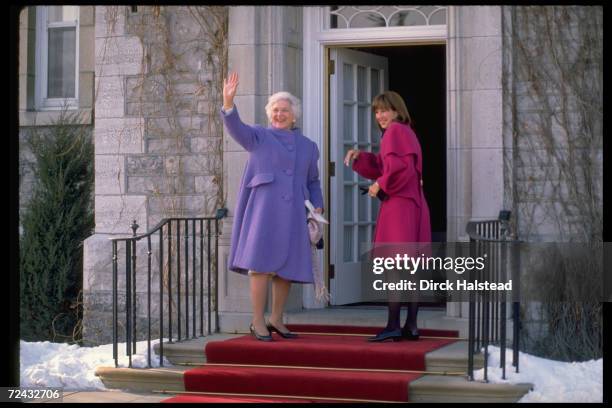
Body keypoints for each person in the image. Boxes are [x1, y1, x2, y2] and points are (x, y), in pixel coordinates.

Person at [221, 72, 324, 342]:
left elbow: (313, 180)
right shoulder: (258, 136)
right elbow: (236, 128)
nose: (280, 114)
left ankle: (276, 318)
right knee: (261, 265)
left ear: (294, 116)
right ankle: (257, 321)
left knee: (286, 268)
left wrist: (318, 206)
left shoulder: (309, 147)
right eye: (276, 110)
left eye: (285, 111)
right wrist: (229, 104)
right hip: (262, 213)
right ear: (269, 114)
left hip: (293, 214)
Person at [344, 91, 431, 342]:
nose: (380, 115)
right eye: (376, 111)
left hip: (400, 206)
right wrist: (363, 158)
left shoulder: (394, 132)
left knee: (394, 266)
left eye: (385, 110)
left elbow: (395, 170)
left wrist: (379, 185)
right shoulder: (406, 132)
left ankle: (393, 324)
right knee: (410, 268)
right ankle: (411, 326)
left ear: (396, 111)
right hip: (414, 205)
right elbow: (388, 165)